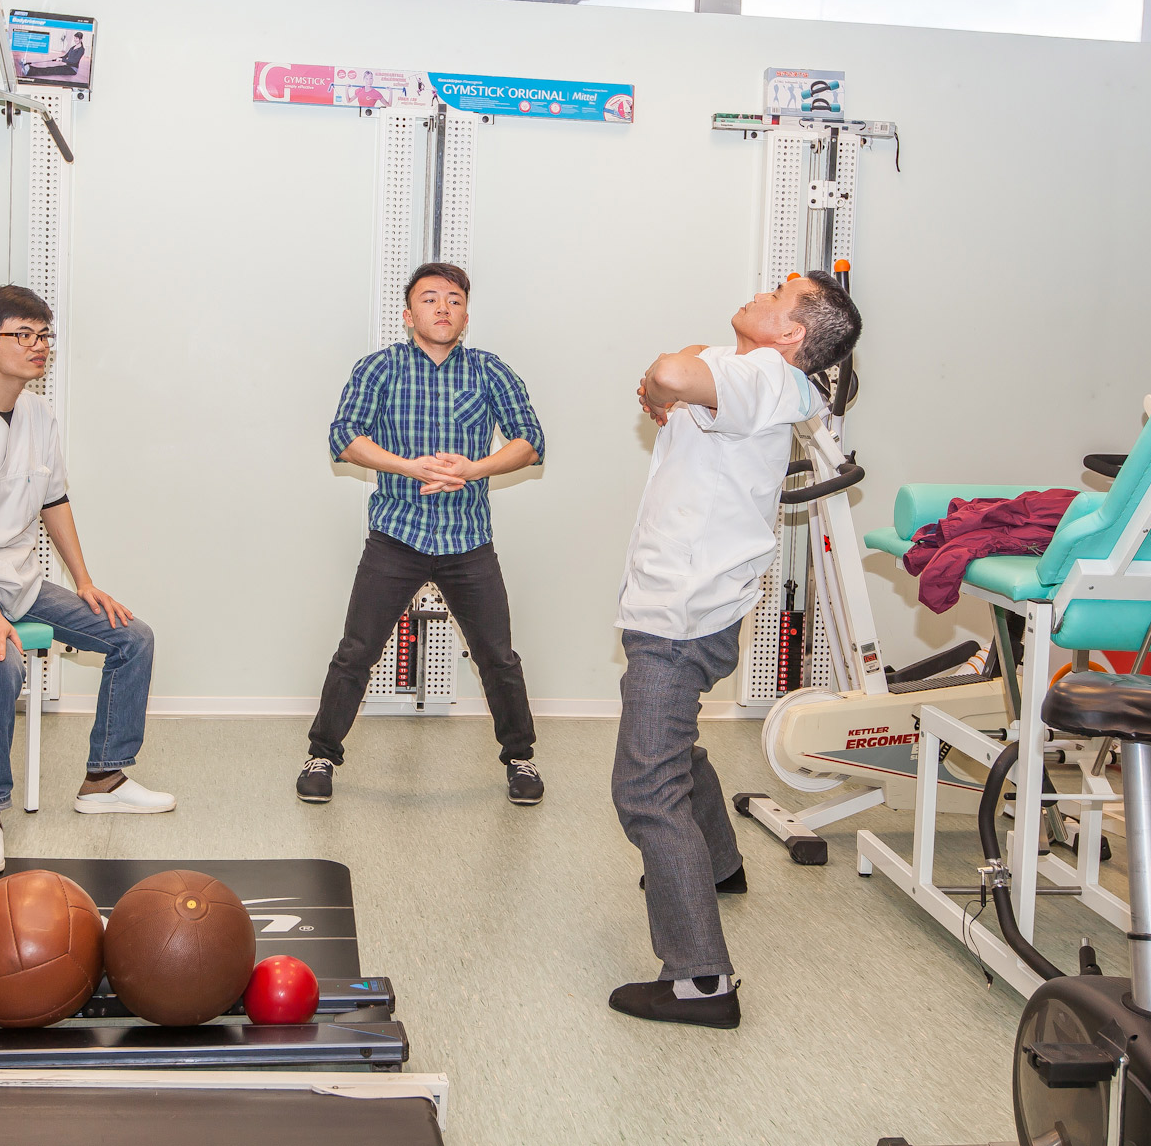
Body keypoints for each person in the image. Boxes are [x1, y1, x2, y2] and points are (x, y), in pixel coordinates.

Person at [608, 271, 862, 1028]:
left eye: (778, 293)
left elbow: (668, 374)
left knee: (646, 792)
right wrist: (666, 384)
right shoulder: (759, 374)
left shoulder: (760, 376)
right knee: (676, 748)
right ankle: (717, 863)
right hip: (695, 603)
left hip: (680, 615)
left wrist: (666, 384)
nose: (760, 290)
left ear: (791, 334)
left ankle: (700, 984)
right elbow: (673, 372)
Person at [300, 262, 547, 805]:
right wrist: (410, 467)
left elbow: (530, 440)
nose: (443, 307)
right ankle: (322, 754)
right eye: (430, 299)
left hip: (467, 540)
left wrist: (472, 469)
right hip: (396, 535)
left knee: (498, 656)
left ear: (465, 313)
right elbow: (344, 438)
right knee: (356, 651)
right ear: (409, 314)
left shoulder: (490, 371)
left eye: (454, 299)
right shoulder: (379, 369)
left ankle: (521, 760)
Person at [0, 284, 170, 874]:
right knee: (2, 661)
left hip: (17, 578)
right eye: (25, 335)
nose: (39, 345)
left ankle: (103, 780)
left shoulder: (40, 414)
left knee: (132, 636)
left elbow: (55, 500)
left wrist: (85, 581)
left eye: (44, 335)